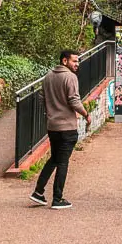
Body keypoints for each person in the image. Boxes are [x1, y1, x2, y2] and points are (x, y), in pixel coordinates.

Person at [30, 49, 90, 210]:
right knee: (62, 162)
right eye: (74, 61)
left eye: (78, 61)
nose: (77, 64)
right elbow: (74, 101)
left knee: (54, 159)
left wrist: (51, 111)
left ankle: (38, 191)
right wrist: (86, 114)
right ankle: (58, 198)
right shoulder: (70, 77)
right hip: (67, 127)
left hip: (52, 126)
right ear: (65, 61)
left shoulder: (49, 76)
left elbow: (42, 97)